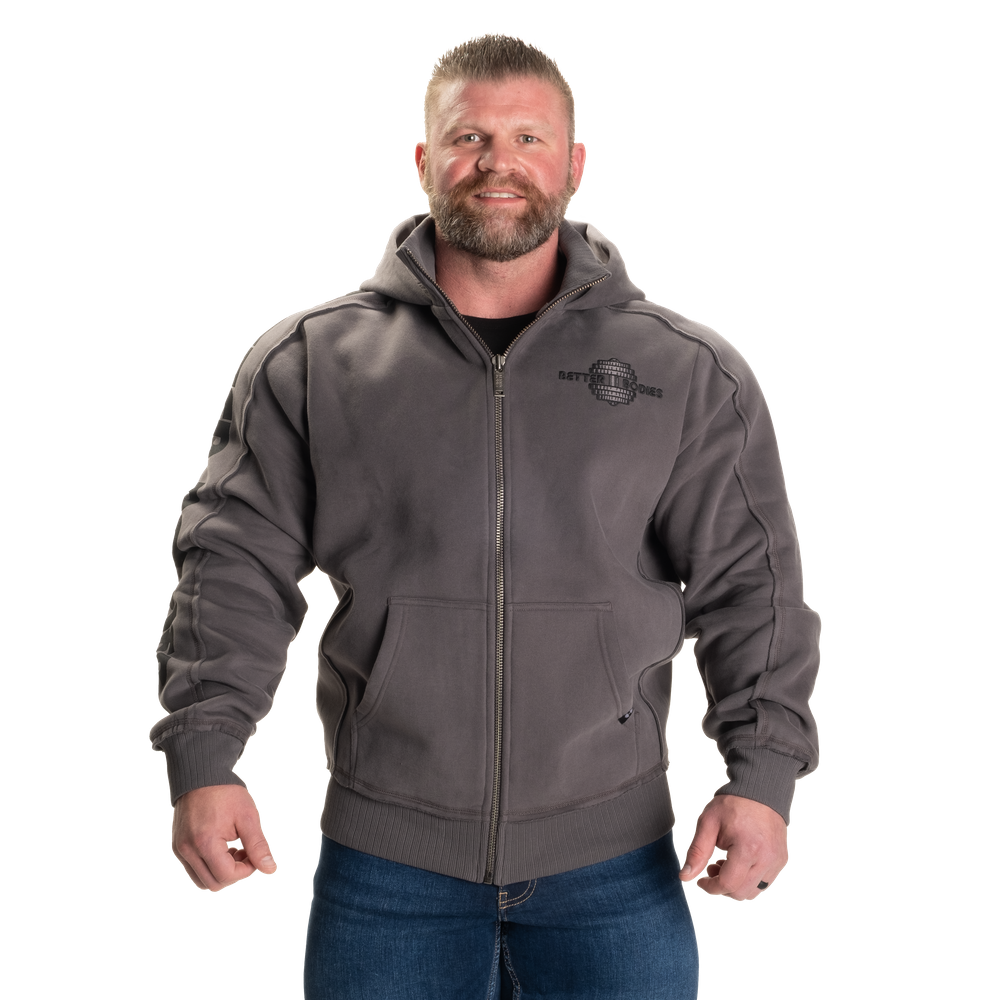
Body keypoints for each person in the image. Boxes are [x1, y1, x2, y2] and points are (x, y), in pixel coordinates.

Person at [152, 32, 821, 1000]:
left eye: (528, 138)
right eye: (469, 137)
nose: (498, 162)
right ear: (424, 161)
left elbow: (752, 590)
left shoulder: (683, 372)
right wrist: (204, 756)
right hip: (387, 867)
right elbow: (230, 567)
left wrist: (760, 777)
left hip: (618, 863)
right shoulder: (310, 363)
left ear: (574, 164)